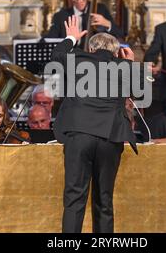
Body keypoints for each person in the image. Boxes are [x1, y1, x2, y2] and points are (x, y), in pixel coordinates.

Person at [51, 16, 139, 233]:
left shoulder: (78, 60)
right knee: (104, 201)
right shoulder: (123, 66)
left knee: (74, 199)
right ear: (116, 51)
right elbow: (138, 93)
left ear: (91, 49)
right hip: (110, 138)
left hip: (79, 136)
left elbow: (56, 56)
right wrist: (131, 63)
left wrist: (71, 37)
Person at [45, 0, 124, 46]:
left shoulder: (100, 9)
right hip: (70, 58)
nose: (79, 1)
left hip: (95, 59)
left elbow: (120, 34)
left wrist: (107, 23)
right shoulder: (60, 16)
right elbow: (50, 39)